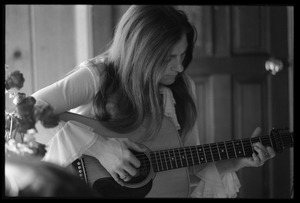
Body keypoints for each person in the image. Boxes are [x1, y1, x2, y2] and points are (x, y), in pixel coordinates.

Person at [32, 5, 276, 198]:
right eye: (169, 57)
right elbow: (27, 111)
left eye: (183, 55)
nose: (180, 67)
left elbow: (184, 170)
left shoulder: (182, 89)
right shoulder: (101, 75)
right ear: (142, 53)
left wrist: (235, 162)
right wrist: (101, 148)